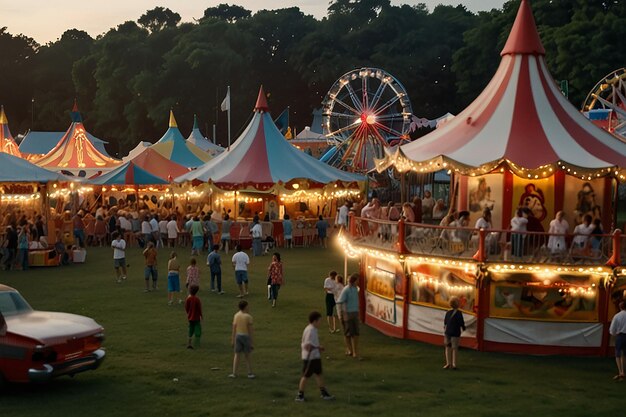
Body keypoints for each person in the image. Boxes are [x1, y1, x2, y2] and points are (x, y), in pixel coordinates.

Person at [295, 311, 335, 402]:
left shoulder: (312, 329)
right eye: (320, 321)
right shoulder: (310, 330)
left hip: (315, 357)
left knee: (319, 374)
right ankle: (300, 395)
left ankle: (324, 393)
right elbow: (307, 345)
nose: (321, 323)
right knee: (306, 376)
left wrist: (318, 348)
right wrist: (317, 348)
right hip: (310, 358)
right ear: (315, 321)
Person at [336, 273, 361, 359]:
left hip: (355, 313)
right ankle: (351, 350)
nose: (358, 282)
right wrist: (342, 314)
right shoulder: (346, 290)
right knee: (348, 334)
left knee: (356, 333)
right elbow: (339, 301)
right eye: (357, 280)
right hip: (348, 314)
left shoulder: (355, 289)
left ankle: (354, 351)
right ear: (354, 281)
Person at [229, 300, 255, 379]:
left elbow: (234, 328)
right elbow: (250, 330)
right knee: (247, 356)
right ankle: (249, 373)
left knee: (237, 355)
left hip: (238, 336)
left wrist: (233, 339)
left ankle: (234, 373)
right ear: (245, 307)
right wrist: (251, 342)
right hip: (246, 337)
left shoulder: (236, 315)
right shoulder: (248, 317)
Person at [443, 296, 466, 370]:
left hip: (448, 332)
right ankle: (454, 364)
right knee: (455, 348)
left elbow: (445, 322)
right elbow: (461, 322)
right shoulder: (459, 313)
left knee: (447, 347)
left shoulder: (448, 312)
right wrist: (464, 327)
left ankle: (448, 363)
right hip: (455, 332)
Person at [610, 301, 626, 380]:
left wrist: (613, 334)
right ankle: (624, 371)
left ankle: (621, 372)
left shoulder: (617, 316)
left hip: (620, 335)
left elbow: (612, 329)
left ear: (620, 307)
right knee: (624, 354)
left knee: (618, 354)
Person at [184, 284, 202, 349]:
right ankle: (196, 344)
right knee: (198, 330)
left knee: (190, 330)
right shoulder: (197, 299)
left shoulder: (188, 299)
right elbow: (199, 308)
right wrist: (201, 316)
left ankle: (189, 343)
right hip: (196, 317)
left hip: (190, 317)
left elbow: (186, 307)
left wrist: (188, 313)